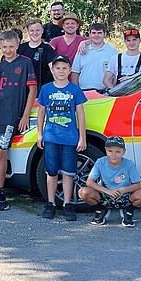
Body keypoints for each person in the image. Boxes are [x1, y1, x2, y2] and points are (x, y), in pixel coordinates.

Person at [0, 31, 37, 211]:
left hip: (11, 117)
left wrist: (26, 114)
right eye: (4, 47)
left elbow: (32, 91)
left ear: (18, 45)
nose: (8, 50)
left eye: (11, 46)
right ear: (0, 47)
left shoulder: (26, 63)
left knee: (0, 152)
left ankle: (0, 191)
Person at [36, 55, 87, 221]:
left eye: (64, 68)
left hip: (70, 138)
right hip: (51, 137)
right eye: (57, 68)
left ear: (70, 70)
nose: (61, 71)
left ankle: (67, 204)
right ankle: (50, 203)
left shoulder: (74, 90)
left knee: (68, 172)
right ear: (52, 70)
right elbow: (41, 112)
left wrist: (82, 137)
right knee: (51, 172)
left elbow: (80, 113)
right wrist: (39, 134)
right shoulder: (46, 89)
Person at [78, 136, 141, 227]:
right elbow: (89, 182)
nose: (113, 154)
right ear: (106, 150)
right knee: (83, 192)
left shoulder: (129, 164)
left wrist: (122, 190)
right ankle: (101, 209)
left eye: (117, 151)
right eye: (110, 151)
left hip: (125, 196)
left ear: (123, 152)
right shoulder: (100, 162)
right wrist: (107, 191)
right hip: (105, 195)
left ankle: (128, 210)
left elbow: (138, 185)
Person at [71, 23, 118, 91]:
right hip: (84, 91)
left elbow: (116, 74)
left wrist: (113, 90)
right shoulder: (82, 50)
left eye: (99, 33)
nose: (96, 35)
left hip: (105, 93)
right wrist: (76, 91)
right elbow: (75, 72)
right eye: (93, 33)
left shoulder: (113, 52)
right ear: (89, 35)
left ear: (104, 34)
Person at [19, 19, 57, 88]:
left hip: (42, 88)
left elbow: (53, 68)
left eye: (37, 30)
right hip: (23, 88)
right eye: (32, 30)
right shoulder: (20, 48)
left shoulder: (47, 48)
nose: (35, 33)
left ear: (42, 31)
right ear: (28, 31)